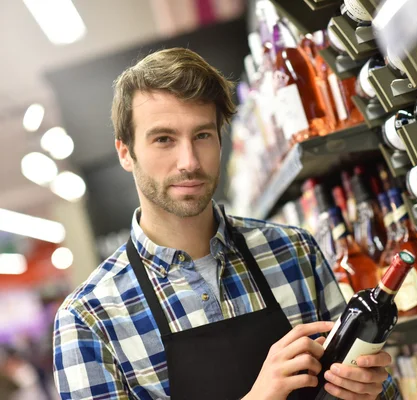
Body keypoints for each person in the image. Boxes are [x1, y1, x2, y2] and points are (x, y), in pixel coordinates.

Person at [52, 47, 399, 400]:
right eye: (164, 139)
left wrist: (371, 388)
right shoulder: (89, 318)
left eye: (202, 135)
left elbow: (380, 388)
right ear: (126, 152)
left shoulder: (294, 252)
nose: (188, 161)